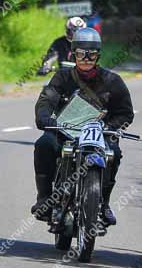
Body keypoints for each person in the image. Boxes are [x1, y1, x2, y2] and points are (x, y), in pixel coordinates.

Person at [32, 27, 134, 226]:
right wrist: (46, 119)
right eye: (81, 54)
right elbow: (46, 101)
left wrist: (109, 126)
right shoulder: (62, 77)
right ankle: (44, 198)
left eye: (91, 55)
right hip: (64, 132)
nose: (86, 59)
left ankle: (103, 203)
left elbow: (125, 113)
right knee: (44, 144)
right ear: (73, 54)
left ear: (98, 56)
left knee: (114, 153)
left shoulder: (113, 81)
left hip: (99, 136)